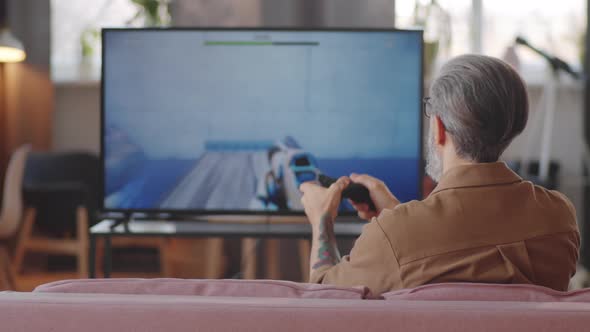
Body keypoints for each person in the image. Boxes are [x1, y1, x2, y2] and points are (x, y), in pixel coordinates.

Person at [299, 54, 580, 294]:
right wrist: (398, 213)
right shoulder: (558, 218)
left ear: (440, 128)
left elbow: (326, 298)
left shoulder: (395, 237)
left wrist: (322, 220)